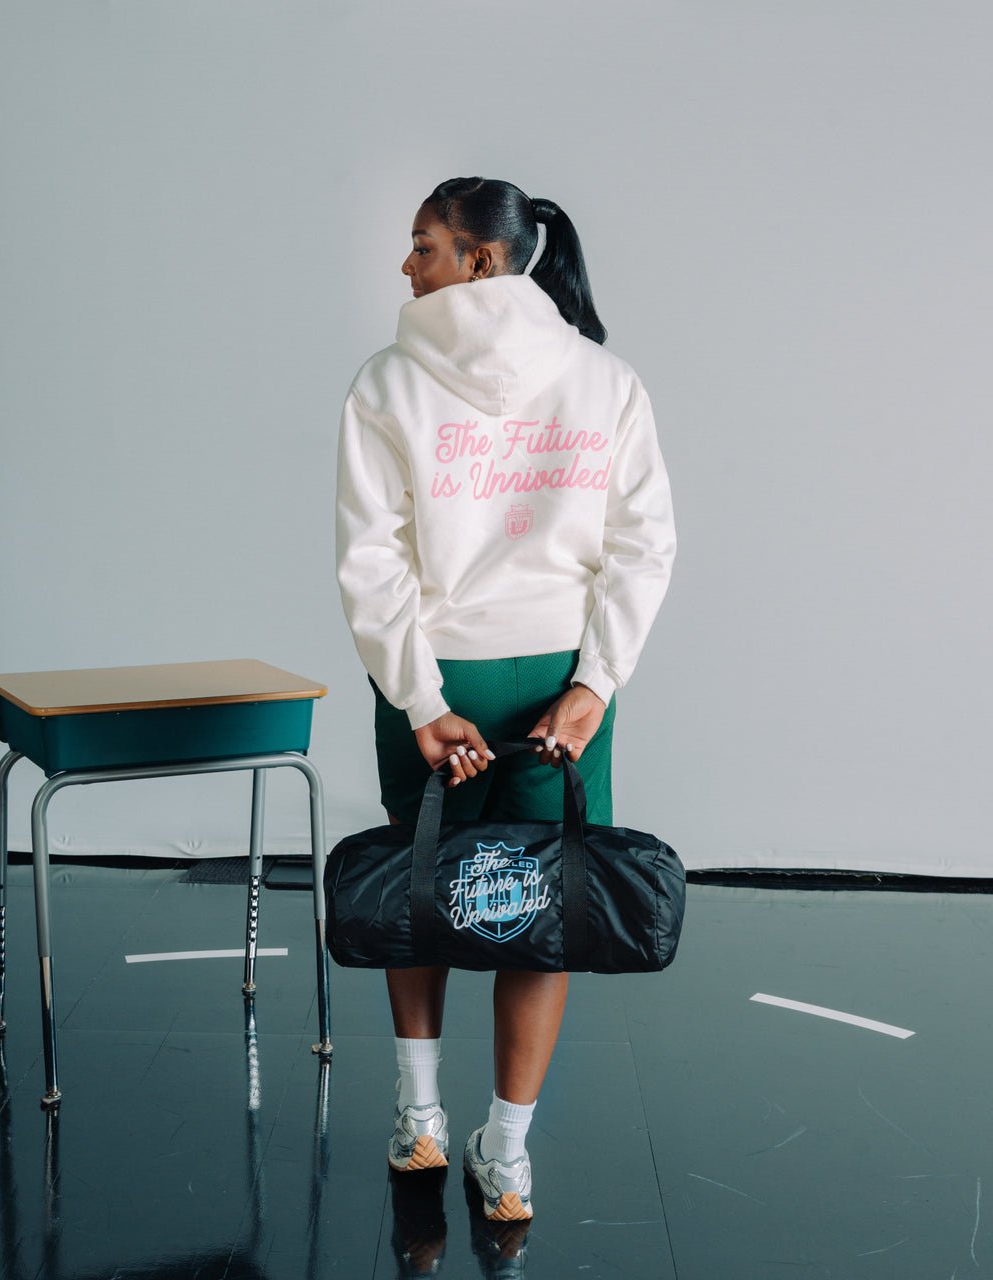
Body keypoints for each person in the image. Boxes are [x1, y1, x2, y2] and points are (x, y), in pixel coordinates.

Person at [335, 177, 675, 1222]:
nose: (407, 266)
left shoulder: (387, 383)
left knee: (419, 888)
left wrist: (419, 697)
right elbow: (642, 544)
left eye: (424, 246)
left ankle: (419, 1119)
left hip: (438, 674)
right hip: (556, 685)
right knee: (546, 907)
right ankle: (509, 1155)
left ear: (481, 260)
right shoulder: (603, 380)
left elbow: (370, 556)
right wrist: (593, 685)